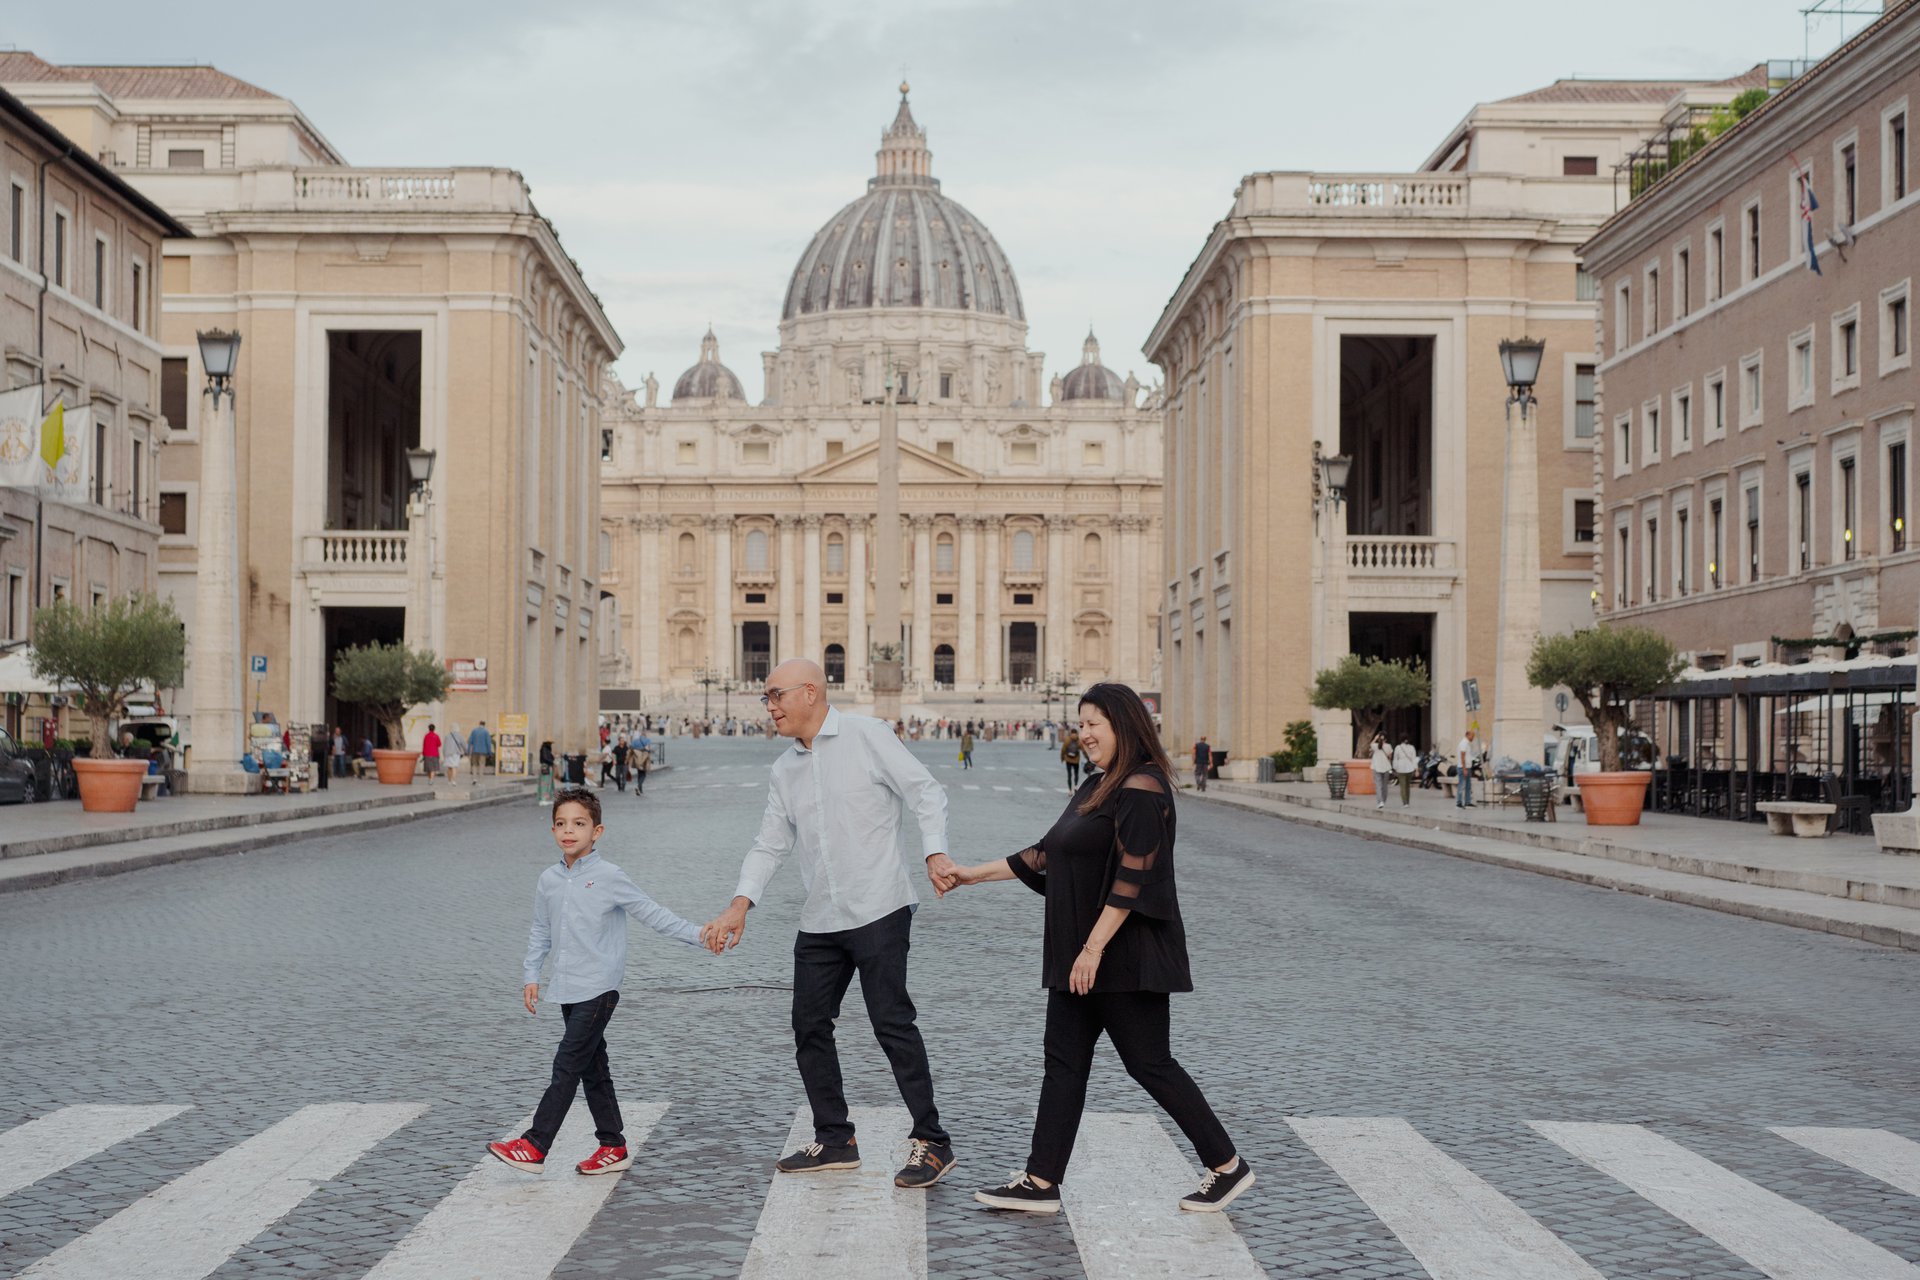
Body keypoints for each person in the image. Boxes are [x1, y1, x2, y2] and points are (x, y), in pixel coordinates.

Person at [945, 683, 1253, 1215]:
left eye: (1094, 725)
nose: (1083, 734)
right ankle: (1041, 1181)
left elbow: (1135, 876)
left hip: (1124, 955)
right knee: (1062, 1064)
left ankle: (1227, 1166)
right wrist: (973, 875)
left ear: (1124, 726)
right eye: (1080, 723)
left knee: (1150, 1064)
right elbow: (1047, 854)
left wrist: (1092, 950)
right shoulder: (1098, 785)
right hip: (1080, 954)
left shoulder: (1142, 788)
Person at [699, 658, 959, 1190]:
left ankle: (932, 1141)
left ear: (811, 692)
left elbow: (925, 791)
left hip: (879, 906)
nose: (769, 706)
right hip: (820, 918)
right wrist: (739, 904)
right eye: (765, 698)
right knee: (809, 1025)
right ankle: (836, 1138)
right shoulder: (784, 769)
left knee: (892, 1023)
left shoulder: (868, 735)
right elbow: (770, 842)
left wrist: (934, 853)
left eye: (776, 695)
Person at [488, 787, 708, 1176]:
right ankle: (613, 1145)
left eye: (578, 823)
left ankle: (535, 1145)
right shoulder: (549, 880)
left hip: (600, 988)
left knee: (567, 1063)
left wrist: (700, 935)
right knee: (593, 1068)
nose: (568, 831)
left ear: (597, 831)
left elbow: (652, 913)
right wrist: (530, 975)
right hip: (567, 988)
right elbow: (541, 930)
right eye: (560, 824)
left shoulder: (609, 877)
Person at [1392, 736, 1418, 806]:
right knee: (1407, 786)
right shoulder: (1412, 747)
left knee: (1403, 786)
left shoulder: (1398, 747)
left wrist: (1395, 768)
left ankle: (1405, 802)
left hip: (1400, 768)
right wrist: (1416, 769)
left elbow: (1395, 758)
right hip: (1410, 768)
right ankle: (1407, 801)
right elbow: (1414, 759)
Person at [1368, 733, 1391, 809]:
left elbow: (1371, 744)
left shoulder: (1375, 746)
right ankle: (1383, 801)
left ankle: (1380, 801)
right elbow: (1390, 756)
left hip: (1376, 767)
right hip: (1386, 767)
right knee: (1385, 786)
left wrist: (1375, 738)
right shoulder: (1388, 746)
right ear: (1386, 739)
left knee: (1378, 785)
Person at [1456, 727, 1478, 809]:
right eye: (1472, 735)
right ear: (1467, 735)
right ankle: (1459, 803)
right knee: (1462, 785)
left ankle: (1467, 802)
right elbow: (1462, 756)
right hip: (1463, 768)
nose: (1473, 737)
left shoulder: (1467, 743)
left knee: (1468, 785)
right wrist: (1464, 768)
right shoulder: (1463, 743)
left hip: (1468, 767)